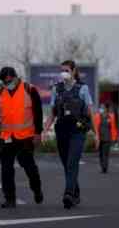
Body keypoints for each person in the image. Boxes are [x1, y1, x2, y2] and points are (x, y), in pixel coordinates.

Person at [44, 60, 96, 209]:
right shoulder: (57, 89)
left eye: (66, 70)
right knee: (67, 164)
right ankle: (76, 193)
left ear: (73, 71)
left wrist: (96, 133)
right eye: (62, 70)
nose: (63, 73)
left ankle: (68, 194)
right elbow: (53, 112)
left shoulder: (83, 88)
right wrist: (45, 130)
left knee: (72, 162)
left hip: (78, 131)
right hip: (61, 130)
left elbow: (90, 113)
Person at [0, 67, 44, 208]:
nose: (8, 83)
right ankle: (10, 199)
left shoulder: (30, 89)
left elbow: (38, 112)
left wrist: (38, 133)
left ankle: (37, 189)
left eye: (10, 80)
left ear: (16, 77)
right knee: (6, 170)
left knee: (30, 168)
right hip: (5, 138)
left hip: (25, 138)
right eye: (4, 82)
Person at [94, 103, 118, 173]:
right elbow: (95, 127)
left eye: (103, 107)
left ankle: (104, 167)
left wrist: (114, 138)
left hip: (107, 138)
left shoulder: (111, 117)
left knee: (105, 153)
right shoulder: (97, 116)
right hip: (99, 138)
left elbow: (113, 128)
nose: (101, 109)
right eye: (101, 107)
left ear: (106, 109)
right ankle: (103, 165)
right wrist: (96, 136)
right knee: (101, 153)